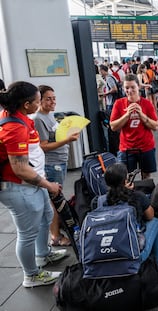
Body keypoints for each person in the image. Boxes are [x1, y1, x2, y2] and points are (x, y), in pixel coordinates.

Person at [0, 81, 66, 287]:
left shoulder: (20, 117)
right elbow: (20, 168)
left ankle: (43, 254)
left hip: (31, 185)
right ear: (27, 104)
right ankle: (31, 275)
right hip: (18, 187)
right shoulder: (13, 127)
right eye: (38, 102)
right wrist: (49, 185)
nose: (40, 105)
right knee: (27, 233)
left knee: (46, 215)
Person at [93, 163, 158, 274]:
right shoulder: (137, 196)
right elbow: (150, 216)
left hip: (103, 255)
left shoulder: (98, 201)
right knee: (156, 222)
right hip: (132, 257)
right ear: (125, 181)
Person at [32, 85, 80, 247]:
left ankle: (57, 230)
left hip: (59, 162)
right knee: (54, 202)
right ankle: (56, 236)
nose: (52, 101)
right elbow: (43, 146)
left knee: (56, 199)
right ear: (39, 100)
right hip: (52, 165)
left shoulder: (49, 116)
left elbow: (54, 138)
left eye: (54, 98)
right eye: (48, 99)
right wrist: (67, 140)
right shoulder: (38, 119)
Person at [110, 74, 158, 178]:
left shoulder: (146, 104)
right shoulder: (119, 103)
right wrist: (127, 116)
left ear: (138, 87)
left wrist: (141, 115)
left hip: (145, 146)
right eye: (127, 88)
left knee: (146, 177)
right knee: (125, 178)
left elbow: (155, 126)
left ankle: (145, 194)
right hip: (126, 147)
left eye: (133, 87)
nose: (129, 90)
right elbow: (113, 127)